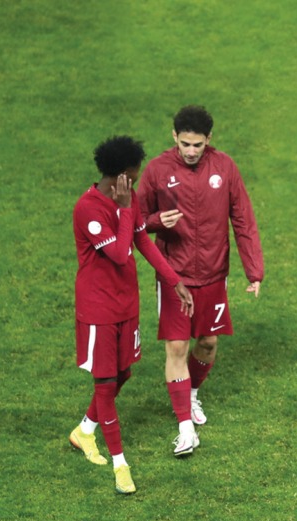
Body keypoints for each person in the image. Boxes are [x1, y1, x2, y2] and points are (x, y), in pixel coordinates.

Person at [69, 135, 194, 494]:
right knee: (106, 383)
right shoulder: (88, 209)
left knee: (123, 374)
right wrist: (125, 210)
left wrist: (174, 282)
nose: (136, 183)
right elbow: (121, 254)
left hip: (126, 306)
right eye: (133, 178)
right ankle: (120, 464)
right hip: (98, 311)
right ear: (121, 176)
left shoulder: (129, 201)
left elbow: (141, 242)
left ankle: (84, 430)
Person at [139, 105, 264, 454]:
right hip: (174, 275)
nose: (191, 152)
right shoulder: (158, 170)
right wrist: (156, 221)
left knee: (207, 343)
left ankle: (191, 394)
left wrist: (254, 271)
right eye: (185, 144)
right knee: (177, 346)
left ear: (209, 139)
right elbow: (134, 219)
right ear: (174, 137)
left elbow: (243, 219)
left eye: (197, 145)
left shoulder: (224, 167)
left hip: (213, 274)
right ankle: (185, 429)